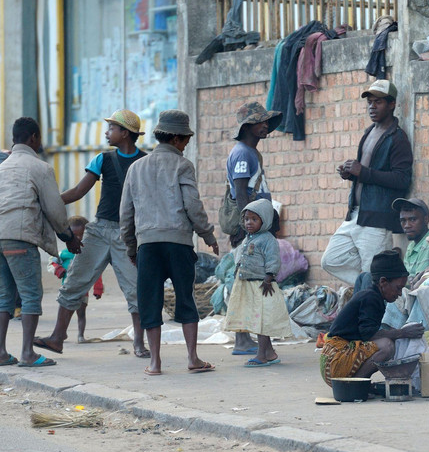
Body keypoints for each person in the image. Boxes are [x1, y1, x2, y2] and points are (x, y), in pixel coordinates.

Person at [34, 109, 149, 358]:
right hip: (99, 230)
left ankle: (139, 344)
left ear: (125, 133)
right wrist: (48, 204)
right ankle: (57, 338)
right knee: (74, 282)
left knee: (136, 291)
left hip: (128, 234)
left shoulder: (145, 162)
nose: (106, 133)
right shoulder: (103, 159)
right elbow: (77, 191)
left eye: (111, 128)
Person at [120, 110, 219, 376]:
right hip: (179, 244)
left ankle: (155, 362)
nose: (186, 146)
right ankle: (192, 358)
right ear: (176, 139)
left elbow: (126, 214)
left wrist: (132, 247)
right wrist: (208, 235)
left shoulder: (136, 168)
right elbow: (193, 207)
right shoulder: (182, 166)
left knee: (149, 301)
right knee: (186, 298)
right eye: (185, 140)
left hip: (148, 245)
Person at [0, 117, 82, 368]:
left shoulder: (1, 167)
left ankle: (1, 353)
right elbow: (55, 209)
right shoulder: (40, 168)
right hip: (20, 238)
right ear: (34, 137)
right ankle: (27, 354)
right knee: (30, 296)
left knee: (4, 297)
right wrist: (68, 238)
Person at [321, 80, 412, 285]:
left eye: (378, 102)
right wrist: (351, 174)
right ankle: (372, 285)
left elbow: (402, 179)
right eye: (370, 102)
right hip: (356, 214)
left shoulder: (398, 138)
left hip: (377, 221)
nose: (372, 106)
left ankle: (380, 294)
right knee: (330, 260)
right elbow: (366, 174)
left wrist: (363, 172)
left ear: (391, 104)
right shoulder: (369, 132)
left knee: (377, 275)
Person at [225, 102, 282, 356]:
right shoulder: (243, 154)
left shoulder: (250, 152)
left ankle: (245, 338)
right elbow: (240, 192)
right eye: (261, 122)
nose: (266, 125)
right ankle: (242, 339)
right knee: (246, 282)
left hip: (253, 229)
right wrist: (248, 227)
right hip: (250, 230)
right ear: (248, 126)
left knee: (248, 282)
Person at [320, 250, 424, 385]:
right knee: (387, 346)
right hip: (335, 361)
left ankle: (359, 383)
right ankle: (357, 385)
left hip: (333, 360)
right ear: (383, 282)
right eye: (398, 288)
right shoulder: (371, 298)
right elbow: (368, 333)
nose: (399, 294)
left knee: (388, 340)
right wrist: (402, 333)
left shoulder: (373, 296)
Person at [224, 199, 292, 367]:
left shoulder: (268, 240)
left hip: (262, 286)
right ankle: (270, 353)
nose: (249, 223)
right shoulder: (249, 238)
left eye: (254, 219)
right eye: (247, 219)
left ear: (265, 220)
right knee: (258, 319)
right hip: (248, 285)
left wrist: (269, 278)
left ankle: (261, 355)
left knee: (261, 321)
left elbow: (273, 260)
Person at [48, 216, 104, 343]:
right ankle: (61, 333)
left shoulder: (89, 253)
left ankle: (80, 335)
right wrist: (58, 269)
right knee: (66, 312)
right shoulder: (64, 253)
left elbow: (96, 271)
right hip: (67, 289)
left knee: (81, 313)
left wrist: (98, 288)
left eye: (82, 235)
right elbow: (52, 263)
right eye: (74, 235)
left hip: (84, 290)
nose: (78, 238)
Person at [393, 198, 429, 276]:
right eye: (403, 221)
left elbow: (418, 281)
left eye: (412, 219)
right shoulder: (412, 245)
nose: (407, 226)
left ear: (426, 219)